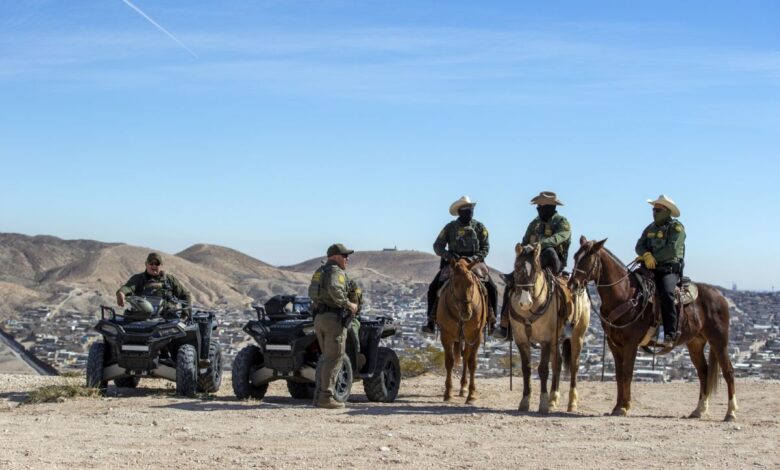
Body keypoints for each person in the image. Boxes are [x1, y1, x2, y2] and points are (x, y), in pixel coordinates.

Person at [495, 191, 571, 340]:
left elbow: (559, 238)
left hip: (553, 262)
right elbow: (524, 241)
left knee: (561, 287)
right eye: (537, 207)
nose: (538, 210)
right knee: (512, 284)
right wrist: (524, 249)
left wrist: (538, 245)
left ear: (550, 207)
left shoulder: (562, 222)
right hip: (532, 262)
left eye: (541, 207)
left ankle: (566, 322)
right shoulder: (534, 223)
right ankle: (505, 325)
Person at [422, 196, 498, 335]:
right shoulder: (450, 227)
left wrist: (474, 258)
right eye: (466, 210)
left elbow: (485, 247)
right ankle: (431, 320)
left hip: (475, 263)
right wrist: (450, 256)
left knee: (492, 287)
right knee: (434, 287)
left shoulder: (480, 227)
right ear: (460, 212)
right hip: (453, 264)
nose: (470, 212)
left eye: (471, 209)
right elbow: (437, 246)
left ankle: (492, 319)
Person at [308, 243, 360, 409]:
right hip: (333, 319)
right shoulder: (335, 272)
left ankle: (319, 395)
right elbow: (335, 289)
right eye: (344, 256)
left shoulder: (320, 271)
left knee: (326, 357)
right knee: (335, 357)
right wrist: (349, 305)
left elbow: (312, 292)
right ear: (335, 257)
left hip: (320, 317)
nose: (347, 259)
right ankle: (326, 397)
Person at [635, 194, 686, 347]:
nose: (654, 212)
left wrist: (653, 258)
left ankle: (669, 333)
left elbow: (671, 250)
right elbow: (639, 245)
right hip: (649, 268)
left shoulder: (676, 228)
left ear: (667, 211)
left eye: (658, 210)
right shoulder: (650, 228)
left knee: (667, 293)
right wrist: (645, 254)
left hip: (668, 269)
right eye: (654, 210)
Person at [116, 252, 192, 317]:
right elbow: (128, 288)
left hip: (167, 319)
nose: (154, 266)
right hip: (143, 318)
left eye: (157, 263)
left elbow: (185, 295)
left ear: (161, 265)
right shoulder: (138, 279)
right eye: (151, 263)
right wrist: (121, 293)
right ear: (146, 264)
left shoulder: (170, 280)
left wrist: (185, 314)